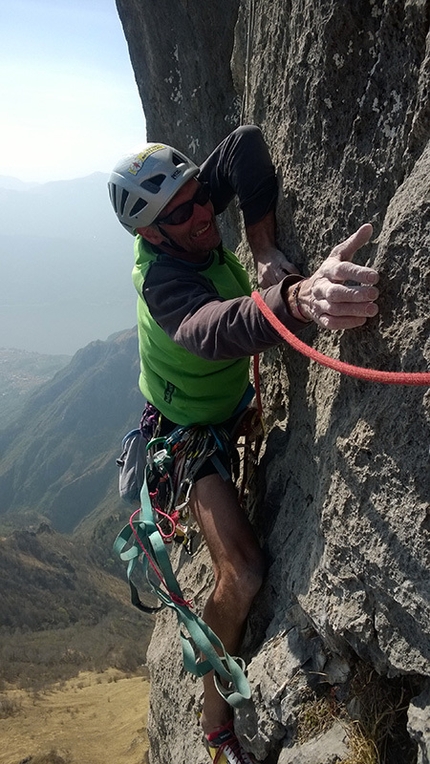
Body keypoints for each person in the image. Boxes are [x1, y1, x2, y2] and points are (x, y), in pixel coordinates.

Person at [108, 126, 379, 764]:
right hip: (188, 435)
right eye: (182, 213)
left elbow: (247, 146)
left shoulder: (186, 204)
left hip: (223, 409)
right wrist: (297, 295)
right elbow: (209, 328)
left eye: (202, 195)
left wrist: (261, 245)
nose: (203, 212)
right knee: (246, 571)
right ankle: (214, 723)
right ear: (150, 235)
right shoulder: (164, 286)